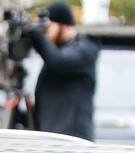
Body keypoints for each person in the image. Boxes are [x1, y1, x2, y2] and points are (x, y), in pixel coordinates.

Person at [26, 2, 99, 140]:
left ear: (64, 25)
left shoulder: (86, 48)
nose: (45, 33)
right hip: (52, 137)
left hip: (73, 142)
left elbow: (58, 61)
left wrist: (37, 37)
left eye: (47, 28)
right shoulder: (57, 50)